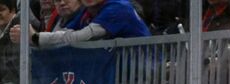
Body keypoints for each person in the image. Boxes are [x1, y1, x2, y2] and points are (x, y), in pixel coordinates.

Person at [12, 0, 149, 47]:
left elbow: (78, 37)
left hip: (144, 71)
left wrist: (35, 37)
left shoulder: (118, 8)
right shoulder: (88, 10)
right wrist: (29, 38)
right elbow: (63, 34)